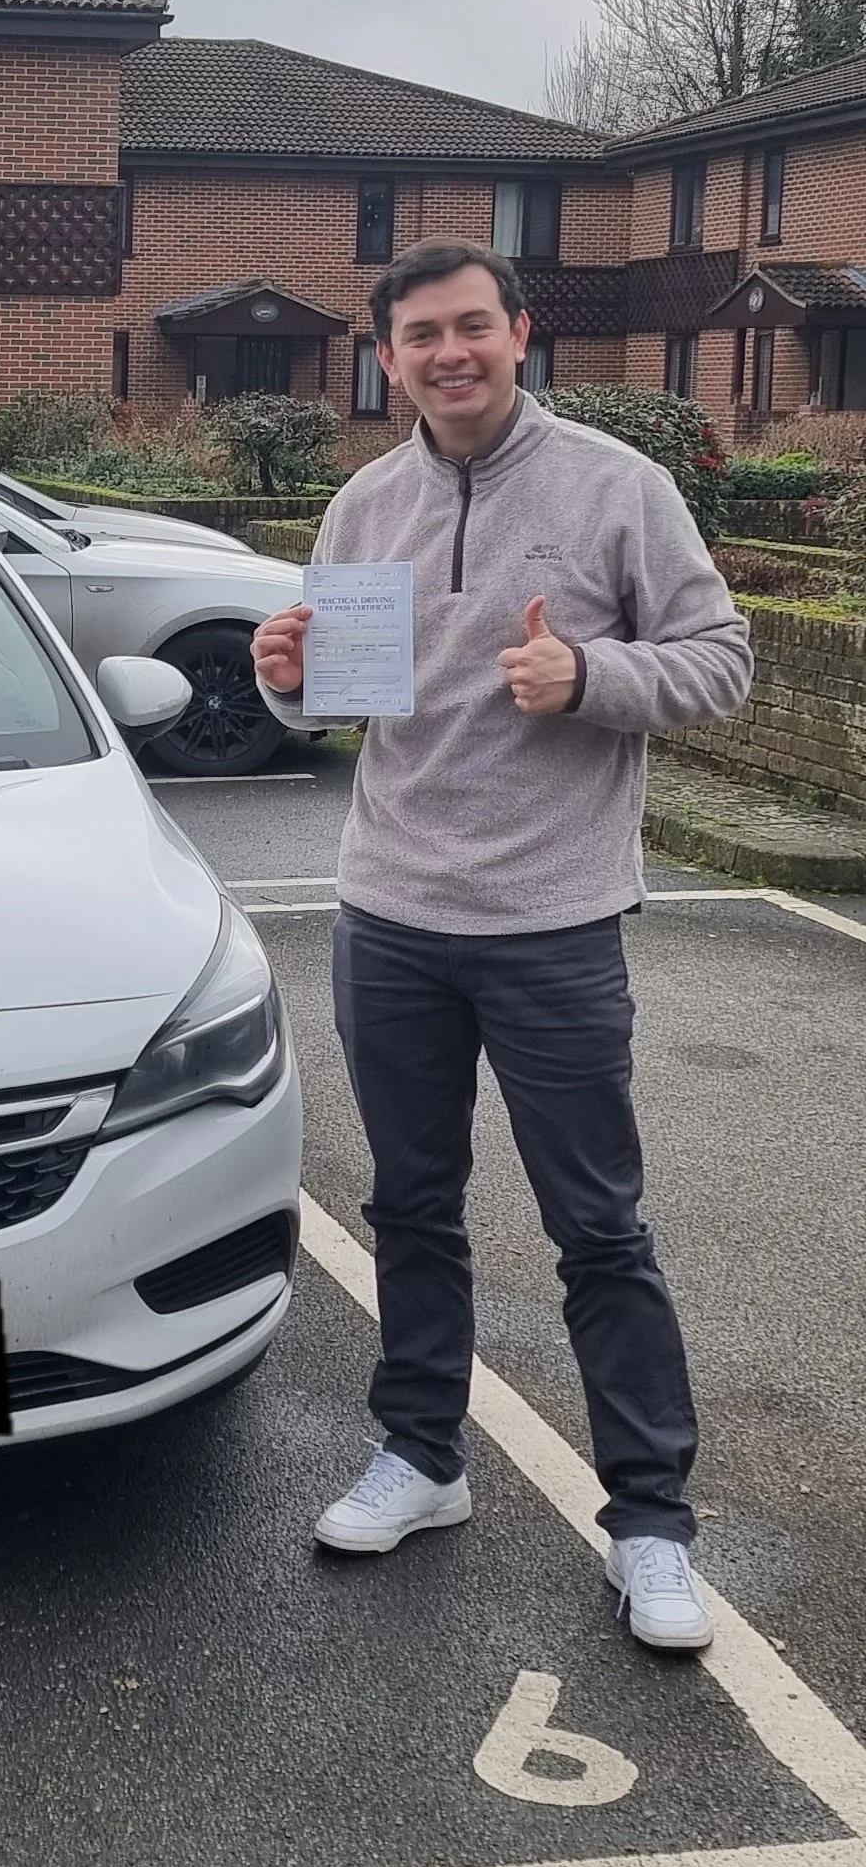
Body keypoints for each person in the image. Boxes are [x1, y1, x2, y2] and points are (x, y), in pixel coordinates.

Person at [251, 237, 752, 1653]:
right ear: (389, 357)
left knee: (598, 1227)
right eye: (422, 336)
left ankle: (650, 1522)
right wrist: (287, 685)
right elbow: (347, 703)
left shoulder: (617, 487)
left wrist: (590, 675)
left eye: (472, 326)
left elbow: (722, 659)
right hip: (391, 914)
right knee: (411, 1210)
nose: (450, 354)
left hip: (552, 924)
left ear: (520, 334)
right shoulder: (366, 503)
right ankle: (424, 1456)